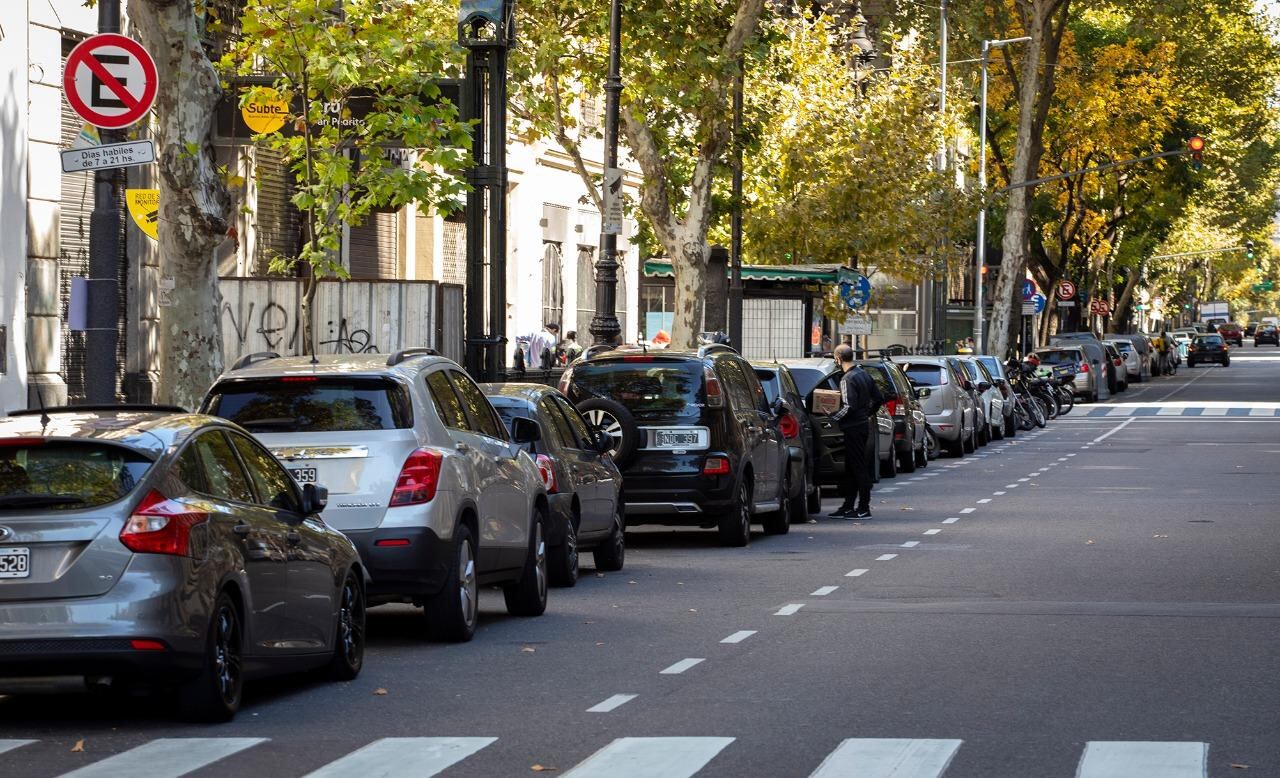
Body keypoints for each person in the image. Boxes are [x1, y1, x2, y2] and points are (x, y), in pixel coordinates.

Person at [829, 344, 884, 519]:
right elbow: (879, 399)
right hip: (862, 425)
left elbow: (848, 406)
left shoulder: (847, 379)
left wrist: (834, 417)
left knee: (857, 467)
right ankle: (848, 505)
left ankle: (863, 507)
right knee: (853, 467)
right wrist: (867, 413)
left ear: (838, 358)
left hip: (852, 427)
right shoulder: (864, 374)